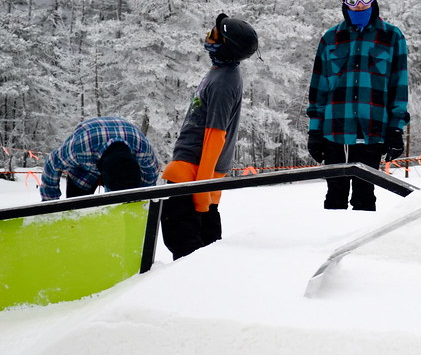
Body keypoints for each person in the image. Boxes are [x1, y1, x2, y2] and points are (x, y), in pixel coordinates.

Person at [306, 0, 409, 211]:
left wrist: (395, 129)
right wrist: (315, 132)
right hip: (335, 133)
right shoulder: (331, 39)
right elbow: (318, 90)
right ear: (344, 2)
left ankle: (360, 247)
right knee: (335, 196)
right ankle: (332, 244)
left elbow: (399, 87)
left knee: (365, 197)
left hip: (372, 133)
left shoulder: (392, 37)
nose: (360, 4)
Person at [161, 13, 258, 259]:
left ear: (227, 47)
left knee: (186, 246)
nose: (209, 37)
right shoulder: (220, 72)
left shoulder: (225, 81)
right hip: (194, 174)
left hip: (193, 175)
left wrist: (202, 194)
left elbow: (216, 137)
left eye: (216, 35)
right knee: (201, 244)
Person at [39, 116, 159, 200]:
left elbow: (148, 185)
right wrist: (50, 201)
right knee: (77, 209)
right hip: (84, 169)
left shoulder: (144, 151)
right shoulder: (80, 147)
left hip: (122, 142)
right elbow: (52, 164)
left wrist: (141, 199)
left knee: (126, 204)